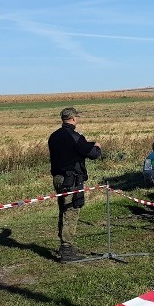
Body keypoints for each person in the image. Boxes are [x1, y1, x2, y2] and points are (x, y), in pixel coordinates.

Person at [48, 107, 101, 263]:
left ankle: (65, 246)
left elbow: (75, 149)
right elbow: (92, 154)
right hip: (71, 181)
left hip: (58, 178)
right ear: (73, 119)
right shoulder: (75, 136)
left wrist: (88, 144)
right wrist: (97, 146)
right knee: (71, 212)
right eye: (76, 117)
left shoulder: (53, 136)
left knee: (63, 210)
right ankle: (66, 250)